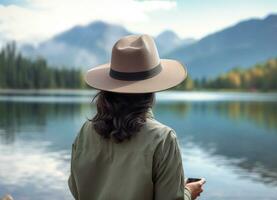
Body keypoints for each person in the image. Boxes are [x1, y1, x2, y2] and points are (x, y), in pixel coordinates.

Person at [68, 34, 206, 200]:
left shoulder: (86, 131)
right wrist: (188, 192)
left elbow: (76, 190)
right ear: (152, 87)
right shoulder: (163, 138)